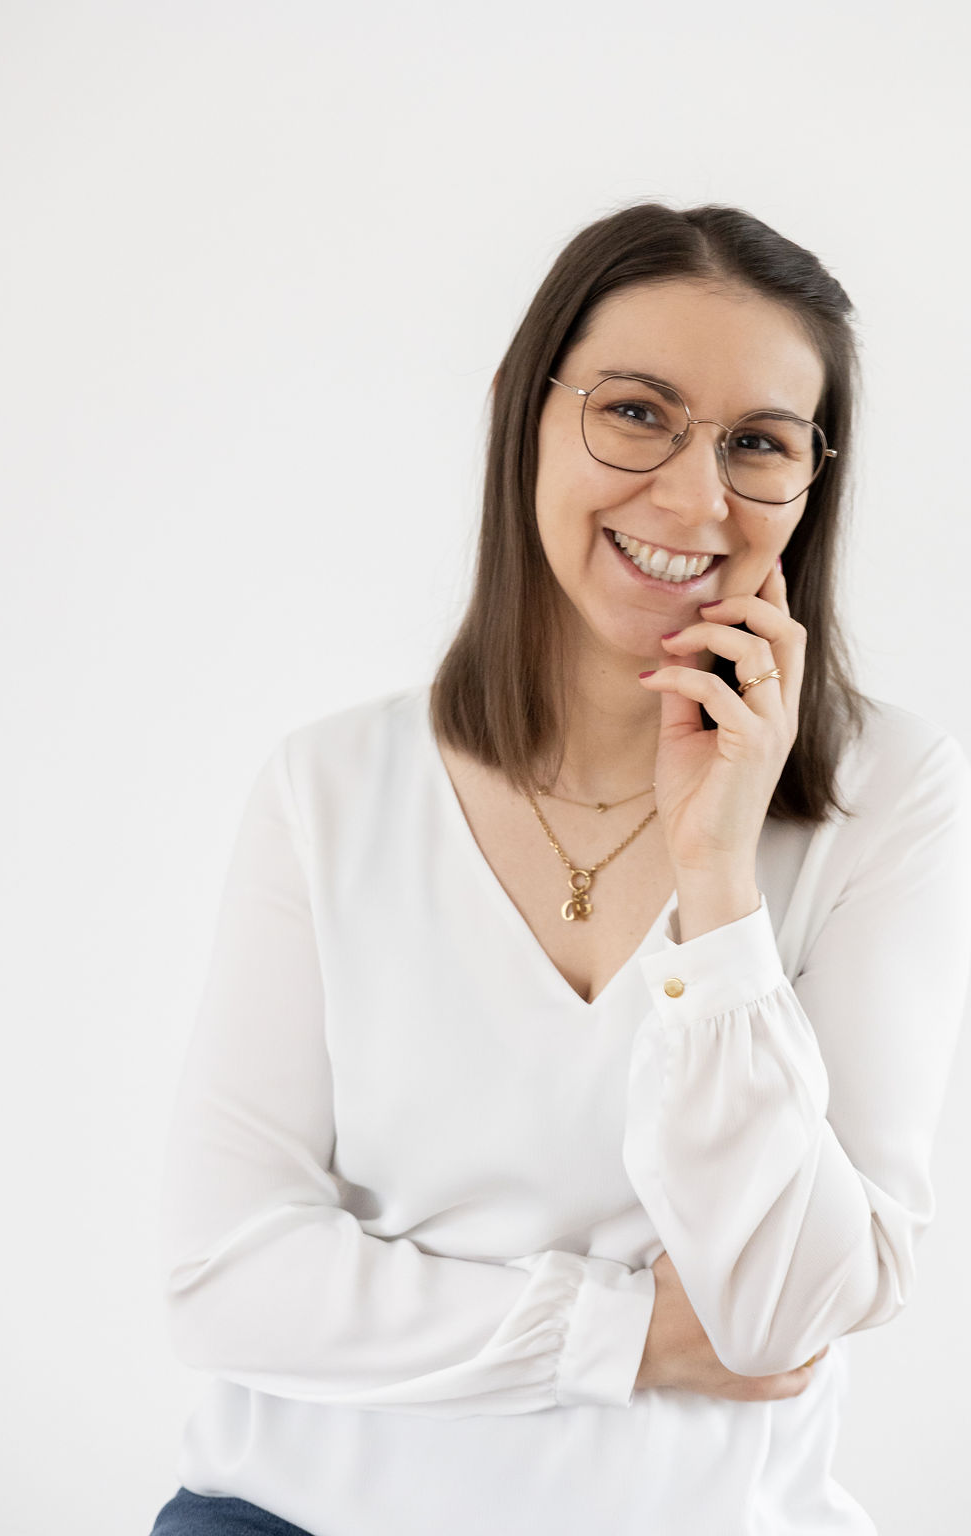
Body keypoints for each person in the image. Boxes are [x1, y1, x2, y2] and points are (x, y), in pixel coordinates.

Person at [149, 203, 971, 1536]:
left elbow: (788, 1312)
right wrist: (631, 1332)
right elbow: (225, 1279)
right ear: (523, 410)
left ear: (811, 485)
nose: (695, 499)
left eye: (758, 445)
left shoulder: (889, 799)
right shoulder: (331, 789)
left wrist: (717, 882)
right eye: (637, 413)